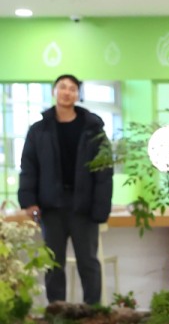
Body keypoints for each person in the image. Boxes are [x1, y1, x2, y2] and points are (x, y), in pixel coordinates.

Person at [18, 74, 113, 305]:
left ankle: (93, 313)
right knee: (53, 264)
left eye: (72, 88)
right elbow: (28, 167)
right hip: (52, 207)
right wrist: (28, 201)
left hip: (84, 207)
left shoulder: (93, 129)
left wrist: (101, 208)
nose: (67, 92)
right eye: (62, 87)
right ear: (54, 91)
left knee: (88, 263)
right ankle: (56, 314)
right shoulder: (39, 130)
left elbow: (104, 171)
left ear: (78, 94)